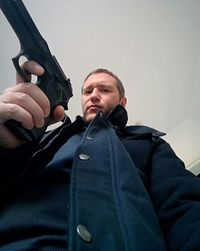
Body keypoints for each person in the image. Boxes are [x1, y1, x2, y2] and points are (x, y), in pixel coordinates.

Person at [0, 60, 199, 251]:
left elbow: (184, 207)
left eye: (104, 90)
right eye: (87, 91)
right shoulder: (42, 139)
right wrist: (5, 150)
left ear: (122, 101)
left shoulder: (149, 141)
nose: (94, 96)